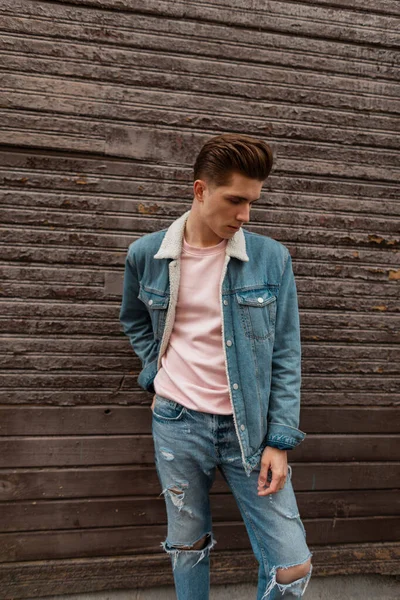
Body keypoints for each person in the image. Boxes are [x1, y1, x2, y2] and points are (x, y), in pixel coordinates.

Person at [119, 133, 313, 599]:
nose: (245, 215)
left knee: (292, 565)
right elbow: (135, 321)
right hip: (177, 424)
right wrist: (156, 374)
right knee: (188, 545)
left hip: (250, 432)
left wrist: (280, 440)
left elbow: (287, 353)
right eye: (235, 200)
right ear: (200, 190)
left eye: (252, 202)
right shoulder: (147, 255)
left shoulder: (270, 259)